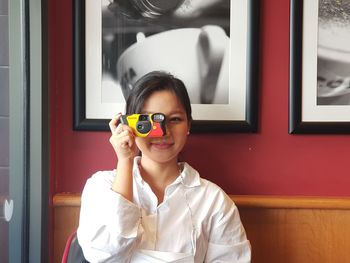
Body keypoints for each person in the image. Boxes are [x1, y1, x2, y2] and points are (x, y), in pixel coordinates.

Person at [77, 71, 251, 262]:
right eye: (149, 120)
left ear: (189, 125)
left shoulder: (214, 201)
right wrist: (125, 161)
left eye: (175, 119)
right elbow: (103, 256)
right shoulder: (100, 186)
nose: (163, 131)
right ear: (131, 125)